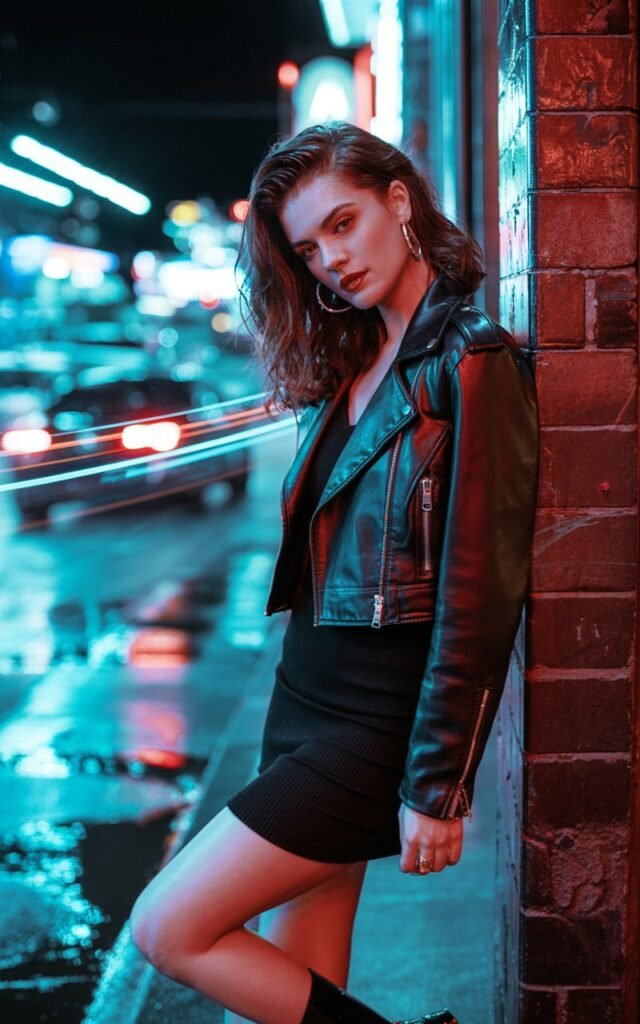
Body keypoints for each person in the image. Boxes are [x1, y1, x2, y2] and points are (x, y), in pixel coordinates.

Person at [129, 121, 539, 1024]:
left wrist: (439, 785)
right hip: (303, 702)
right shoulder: (351, 359)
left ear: (399, 201)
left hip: (372, 727)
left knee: (169, 928)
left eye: (343, 225)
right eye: (309, 248)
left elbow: (482, 590)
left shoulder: (473, 365)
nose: (330, 262)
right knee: (299, 994)